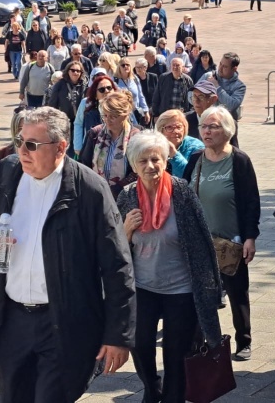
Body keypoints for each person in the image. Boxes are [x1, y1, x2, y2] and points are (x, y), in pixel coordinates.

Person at [0, 108, 135, 403]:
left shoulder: (89, 189)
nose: (22, 150)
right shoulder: (7, 172)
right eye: (20, 141)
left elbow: (117, 265)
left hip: (62, 322)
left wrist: (118, 336)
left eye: (32, 144)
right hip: (11, 318)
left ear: (61, 147)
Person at [116, 130, 222, 403]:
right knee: (141, 346)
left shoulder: (182, 192)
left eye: (156, 159)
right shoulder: (127, 195)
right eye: (143, 161)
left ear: (165, 160)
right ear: (134, 165)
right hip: (143, 287)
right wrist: (125, 231)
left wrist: (210, 287)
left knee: (177, 354)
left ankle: (173, 397)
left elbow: (201, 242)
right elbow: (115, 248)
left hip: (181, 288)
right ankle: (152, 389)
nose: (150, 166)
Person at [181, 106, 260, 361]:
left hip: (231, 241)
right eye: (204, 126)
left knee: (237, 293)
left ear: (227, 131)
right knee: (200, 294)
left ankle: (244, 340)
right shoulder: (196, 158)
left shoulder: (239, 160)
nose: (206, 131)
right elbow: (183, 195)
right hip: (199, 241)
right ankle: (202, 342)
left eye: (213, 127)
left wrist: (250, 237)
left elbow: (251, 201)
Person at [80, 90, 141, 197]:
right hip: (96, 195)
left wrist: (114, 191)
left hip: (125, 197)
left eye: (113, 116)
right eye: (105, 115)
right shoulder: (94, 134)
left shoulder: (136, 137)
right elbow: (83, 166)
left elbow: (138, 171)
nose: (107, 120)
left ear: (125, 115)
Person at [184, 77, 237, 148]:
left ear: (213, 99)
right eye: (194, 96)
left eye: (201, 97)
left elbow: (233, 149)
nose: (196, 101)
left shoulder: (226, 122)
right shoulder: (185, 120)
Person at [74, 74, 117, 157]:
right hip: (92, 151)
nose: (106, 91)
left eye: (109, 88)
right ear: (95, 95)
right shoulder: (86, 105)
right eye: (102, 89)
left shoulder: (122, 107)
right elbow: (78, 123)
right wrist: (78, 147)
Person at [200, 52, 246, 126]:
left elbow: (231, 105)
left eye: (225, 67)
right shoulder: (208, 76)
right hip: (206, 123)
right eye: (220, 64)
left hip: (227, 126)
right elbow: (191, 96)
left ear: (234, 69)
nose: (220, 68)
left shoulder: (239, 86)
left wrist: (217, 87)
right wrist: (202, 94)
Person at [157, 109, 204, 178]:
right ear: (161, 130)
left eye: (179, 127)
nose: (175, 131)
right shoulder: (156, 146)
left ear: (185, 128)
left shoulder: (197, 147)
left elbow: (193, 176)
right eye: (169, 127)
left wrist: (174, 155)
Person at [114, 57, 151, 126]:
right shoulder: (115, 81)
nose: (125, 67)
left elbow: (140, 96)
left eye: (127, 65)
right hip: (123, 115)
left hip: (136, 113)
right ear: (119, 67)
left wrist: (146, 111)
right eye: (123, 65)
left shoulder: (135, 79)